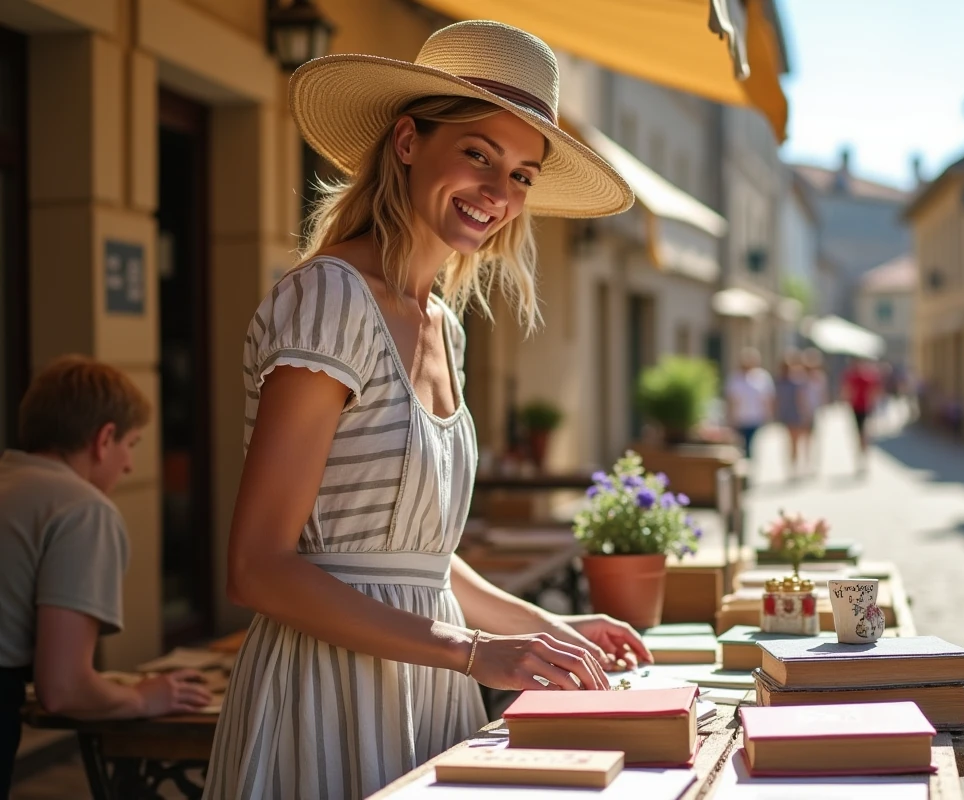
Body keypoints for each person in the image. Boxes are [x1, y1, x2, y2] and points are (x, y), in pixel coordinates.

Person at [203, 22, 652, 798]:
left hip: (431, 692)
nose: (499, 193)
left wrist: (548, 628)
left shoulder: (446, 324)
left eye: (521, 174)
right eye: (478, 154)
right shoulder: (329, 299)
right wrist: (474, 652)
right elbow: (256, 568)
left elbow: (419, 564)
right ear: (408, 141)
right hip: (325, 696)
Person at [0, 356, 212, 797]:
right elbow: (63, 688)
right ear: (104, 438)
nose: (130, 464)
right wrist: (144, 698)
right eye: (131, 444)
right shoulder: (82, 509)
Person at [725, 347, 775, 457]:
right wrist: (730, 417)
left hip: (756, 417)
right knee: (741, 445)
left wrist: (769, 415)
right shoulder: (735, 378)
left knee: (752, 445)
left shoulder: (762, 377)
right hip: (740, 418)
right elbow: (731, 399)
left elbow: (768, 398)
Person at [774, 350, 810, 479]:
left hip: (791, 413)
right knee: (793, 441)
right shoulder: (785, 382)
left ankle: (794, 464)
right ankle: (793, 464)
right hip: (790, 414)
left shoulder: (790, 382)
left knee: (793, 441)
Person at [841, 357, 880, 472]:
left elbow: (872, 391)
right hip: (858, 407)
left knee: (862, 433)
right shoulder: (856, 376)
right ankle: (862, 454)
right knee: (861, 433)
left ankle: (862, 454)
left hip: (863, 408)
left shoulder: (865, 377)